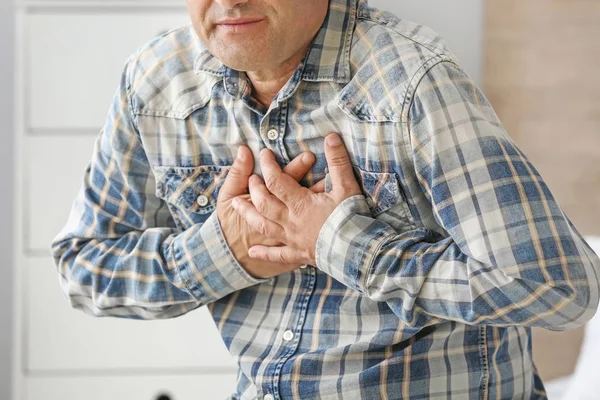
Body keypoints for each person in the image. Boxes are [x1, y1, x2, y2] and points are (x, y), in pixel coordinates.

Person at [51, 0, 600, 398]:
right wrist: (222, 252)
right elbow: (82, 268)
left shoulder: (412, 82)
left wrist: (339, 244)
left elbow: (558, 288)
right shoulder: (155, 83)